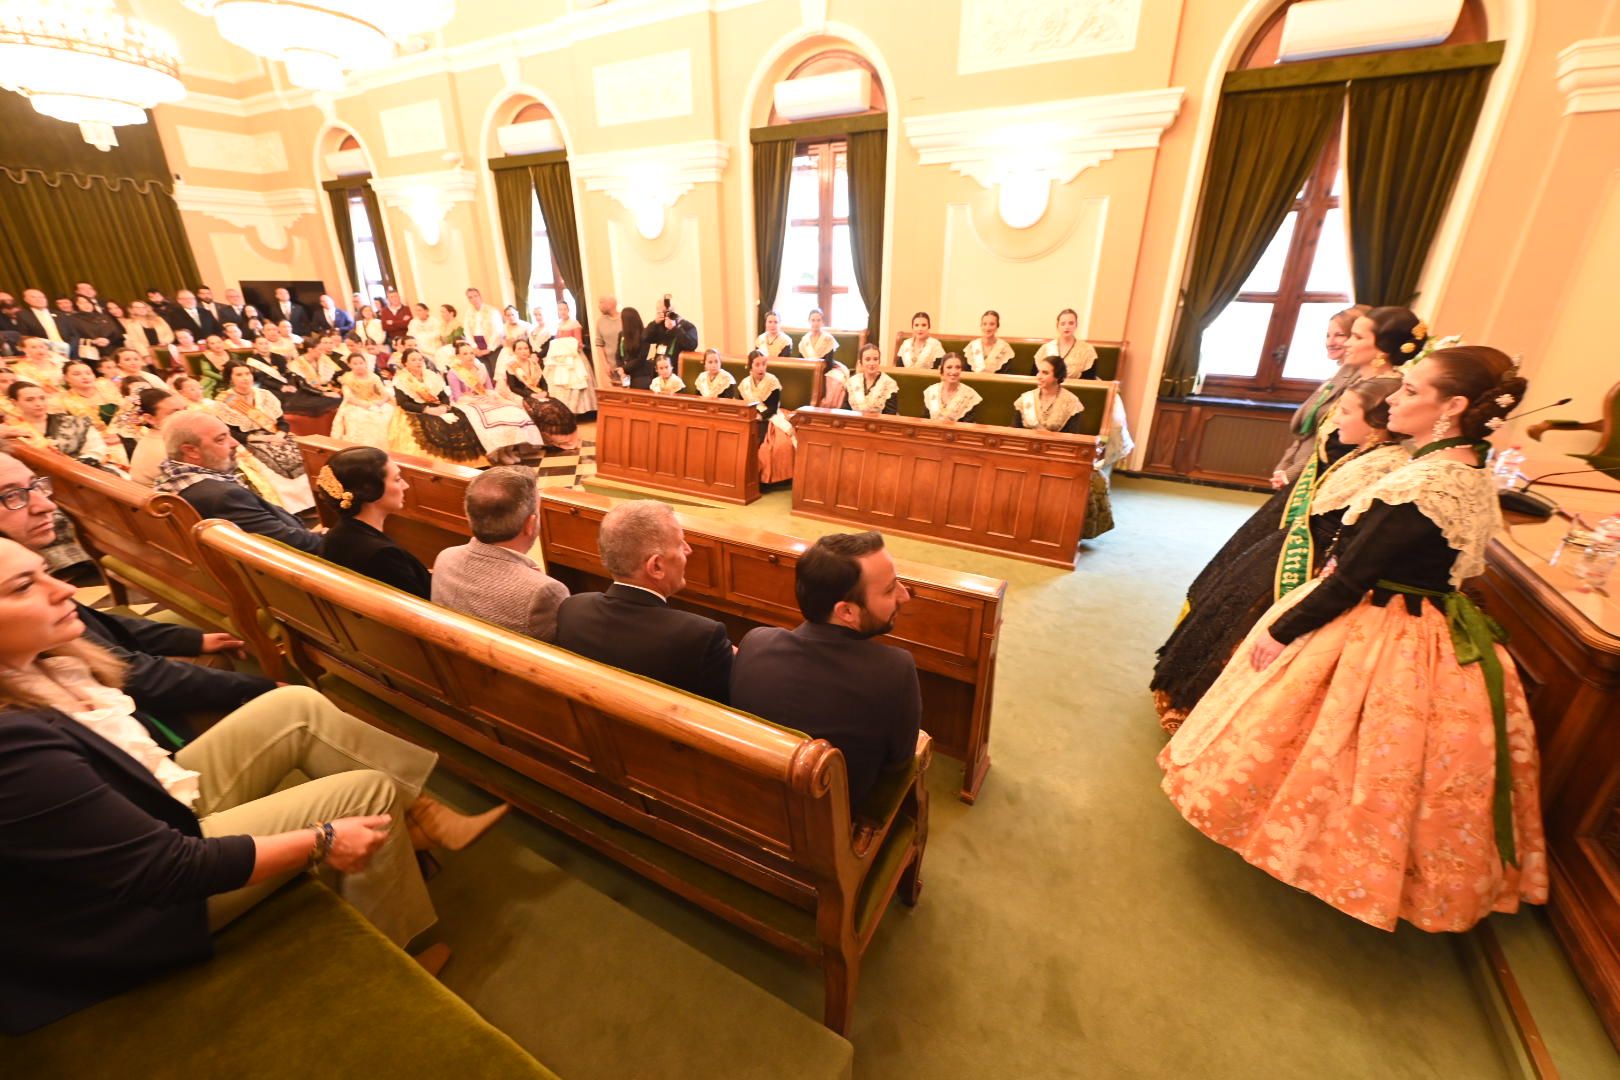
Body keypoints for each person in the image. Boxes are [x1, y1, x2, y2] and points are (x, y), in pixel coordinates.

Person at [0, 538, 508, 1033]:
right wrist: (324, 838)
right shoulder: (12, 745)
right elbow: (166, 869)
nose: (64, 588)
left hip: (151, 806)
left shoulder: (41, 665)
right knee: (364, 792)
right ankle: (399, 951)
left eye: (46, 571)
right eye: (24, 585)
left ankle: (424, 814)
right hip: (130, 915)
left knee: (294, 706)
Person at [1162, 346, 1549, 932]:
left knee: (1341, 746)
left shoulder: (1419, 482)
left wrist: (1280, 630)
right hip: (1435, 623)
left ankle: (1329, 857)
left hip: (1380, 625)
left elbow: (1349, 580)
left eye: (1412, 390)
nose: (1394, 398)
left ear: (1456, 406)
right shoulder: (1471, 469)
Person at [1151, 378, 1410, 732]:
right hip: (1297, 542)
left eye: (1346, 412)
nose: (1336, 421)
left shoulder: (1385, 467)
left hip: (1318, 560)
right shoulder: (1362, 454)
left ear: (1377, 425)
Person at [0, 450, 274, 731]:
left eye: (35, 486)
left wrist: (192, 640)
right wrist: (263, 688)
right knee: (298, 704)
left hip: (124, 707)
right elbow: (126, 672)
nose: (44, 504)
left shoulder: (24, 573)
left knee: (217, 645)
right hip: (139, 725)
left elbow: (98, 626)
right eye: (12, 496)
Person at [730, 531, 920, 809]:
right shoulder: (895, 670)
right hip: (829, 832)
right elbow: (900, 763)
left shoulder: (754, 641)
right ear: (847, 612)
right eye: (890, 589)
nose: (904, 596)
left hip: (751, 807)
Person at [556, 500, 734, 704]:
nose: (688, 550)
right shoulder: (700, 637)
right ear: (656, 566)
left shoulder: (572, 609)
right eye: (679, 544)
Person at [432, 467, 570, 642]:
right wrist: (538, 582)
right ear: (530, 524)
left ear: (470, 516)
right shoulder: (544, 591)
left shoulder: (445, 558)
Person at [157, 412, 323, 554]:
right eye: (221, 439)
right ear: (191, 450)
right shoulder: (222, 496)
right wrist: (331, 538)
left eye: (229, 435)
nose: (235, 443)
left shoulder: (171, 476)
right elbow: (292, 544)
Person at [1010, 356, 1114, 539]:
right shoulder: (1025, 400)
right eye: (1038, 371)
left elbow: (1071, 438)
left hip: (1056, 455)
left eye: (1045, 372)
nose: (1039, 376)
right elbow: (1014, 431)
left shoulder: (1071, 403)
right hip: (1025, 453)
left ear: (1057, 376)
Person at [1271, 306, 1374, 488]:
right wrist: (1284, 467)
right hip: (1298, 468)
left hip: (1318, 473)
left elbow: (1332, 442)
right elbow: (1305, 431)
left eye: (1339, 335)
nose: (1330, 342)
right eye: (1328, 335)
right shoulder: (1335, 378)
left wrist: (1292, 474)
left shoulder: (1362, 382)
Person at [316, 447, 432, 600]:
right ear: (370, 490)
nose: (406, 485)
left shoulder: (335, 535)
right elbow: (420, 607)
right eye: (397, 479)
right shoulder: (382, 556)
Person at [214, 361, 316, 514]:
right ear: (230, 378)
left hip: (276, 435)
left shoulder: (265, 395)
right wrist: (263, 439)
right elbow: (232, 433)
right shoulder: (224, 402)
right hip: (249, 440)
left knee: (303, 454)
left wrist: (280, 434)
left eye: (247, 373)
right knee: (268, 464)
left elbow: (282, 422)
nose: (245, 378)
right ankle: (293, 508)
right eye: (239, 375)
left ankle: (315, 500)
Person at [445, 340, 543, 459]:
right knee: (488, 417)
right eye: (465, 354)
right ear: (458, 356)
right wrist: (478, 400)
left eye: (471, 353)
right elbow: (458, 397)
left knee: (511, 409)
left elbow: (489, 388)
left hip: (485, 397)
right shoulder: (454, 372)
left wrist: (491, 397)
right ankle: (499, 453)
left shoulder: (481, 367)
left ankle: (509, 449)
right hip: (466, 402)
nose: (469, 356)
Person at [389, 348, 484, 465]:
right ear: (405, 363)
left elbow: (443, 395)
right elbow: (403, 403)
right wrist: (427, 410)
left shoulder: (431, 375)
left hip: (437, 406)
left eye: (420, 359)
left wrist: (444, 407)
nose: (418, 362)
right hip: (415, 409)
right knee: (432, 428)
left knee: (462, 420)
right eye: (413, 360)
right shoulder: (401, 380)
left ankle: (464, 463)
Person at [2, 381, 114, 468]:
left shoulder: (74, 422)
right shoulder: (11, 431)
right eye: (30, 400)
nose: (39, 404)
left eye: (42, 398)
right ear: (14, 402)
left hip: (84, 473)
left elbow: (97, 449)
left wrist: (75, 465)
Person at [498, 337, 579, 452]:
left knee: (559, 407)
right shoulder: (511, 366)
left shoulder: (534, 364)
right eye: (519, 349)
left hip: (540, 393)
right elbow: (513, 387)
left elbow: (543, 382)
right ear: (514, 351)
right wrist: (531, 395)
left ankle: (568, 439)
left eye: (526, 348)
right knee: (546, 410)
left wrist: (545, 392)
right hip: (524, 395)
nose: (523, 351)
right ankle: (552, 441)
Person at [739, 350, 794, 483]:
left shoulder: (772, 381)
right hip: (749, 417)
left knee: (764, 446)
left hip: (768, 417)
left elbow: (773, 408)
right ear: (750, 366)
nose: (761, 368)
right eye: (757, 364)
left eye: (763, 364)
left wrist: (760, 416)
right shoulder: (744, 383)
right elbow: (741, 404)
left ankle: (760, 479)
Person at [331, 352, 394, 450]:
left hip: (374, 401)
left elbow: (384, 393)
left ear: (365, 363)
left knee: (388, 414)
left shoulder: (373, 376)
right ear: (349, 365)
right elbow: (349, 397)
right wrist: (364, 405)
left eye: (361, 363)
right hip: (355, 404)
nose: (359, 366)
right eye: (355, 364)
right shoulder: (347, 378)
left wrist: (380, 402)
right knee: (360, 418)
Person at [127, 388, 185, 487]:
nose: (184, 415)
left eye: (184, 410)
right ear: (150, 419)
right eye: (174, 412)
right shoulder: (166, 447)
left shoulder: (157, 438)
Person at [540, 334, 596, 416]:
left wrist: (572, 346)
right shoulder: (559, 326)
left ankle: (573, 410)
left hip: (571, 356)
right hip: (560, 356)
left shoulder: (573, 324)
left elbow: (578, 342)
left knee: (575, 382)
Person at [641, 307, 698, 387]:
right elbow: (645, 338)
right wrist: (654, 323)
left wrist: (675, 329)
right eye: (661, 312)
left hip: (677, 371)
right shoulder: (659, 325)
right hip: (659, 372)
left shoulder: (687, 326)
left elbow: (691, 345)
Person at [15, 288, 80, 358]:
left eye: (41, 297)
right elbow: (26, 337)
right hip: (45, 352)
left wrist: (69, 348)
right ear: (26, 300)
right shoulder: (23, 315)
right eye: (33, 297)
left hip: (68, 350)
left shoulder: (59, 314)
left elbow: (74, 335)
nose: (39, 299)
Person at [1034, 308, 1098, 377]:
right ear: (1057, 326)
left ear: (1076, 325)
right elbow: (1035, 376)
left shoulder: (1087, 350)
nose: (1067, 327)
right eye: (1063, 324)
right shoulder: (1046, 348)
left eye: (1071, 323)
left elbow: (1089, 380)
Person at [923, 353, 983, 423]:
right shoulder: (931, 391)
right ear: (942, 370)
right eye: (949, 367)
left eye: (958, 367)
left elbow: (968, 426)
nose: (954, 372)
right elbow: (925, 420)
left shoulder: (970, 395)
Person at [845, 343, 899, 415]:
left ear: (879, 361)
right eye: (867, 359)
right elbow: (845, 410)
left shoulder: (889, 384)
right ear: (861, 362)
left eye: (875, 359)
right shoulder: (852, 382)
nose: (872, 363)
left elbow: (890, 414)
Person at [463, 288, 504, 374]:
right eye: (470, 297)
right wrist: (474, 347)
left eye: (475, 296)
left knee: (495, 371)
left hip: (493, 345)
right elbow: (467, 331)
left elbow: (498, 331)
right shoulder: (468, 313)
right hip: (477, 345)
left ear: (480, 296)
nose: (473, 299)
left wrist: (489, 348)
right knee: (483, 371)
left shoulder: (492, 311)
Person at [593, 294, 622, 391]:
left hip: (626, 365)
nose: (599, 306)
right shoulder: (600, 322)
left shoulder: (624, 318)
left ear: (611, 304)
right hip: (611, 367)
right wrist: (605, 364)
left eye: (601, 302)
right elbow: (599, 344)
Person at [618, 306, 649, 389]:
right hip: (625, 374)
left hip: (640, 374)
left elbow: (641, 358)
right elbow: (618, 354)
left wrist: (624, 368)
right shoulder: (621, 334)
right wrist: (621, 369)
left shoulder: (644, 335)